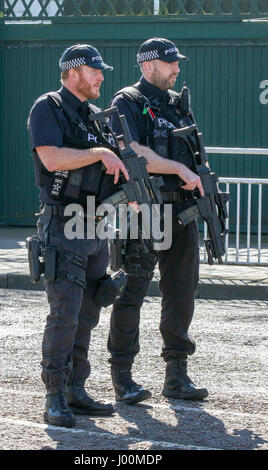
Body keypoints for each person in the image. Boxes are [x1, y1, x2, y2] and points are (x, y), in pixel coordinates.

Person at [27, 44, 130, 428]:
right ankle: (54, 395)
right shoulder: (48, 107)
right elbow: (52, 158)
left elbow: (104, 170)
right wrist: (100, 152)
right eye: (95, 71)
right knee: (64, 314)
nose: (102, 76)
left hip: (96, 226)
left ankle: (76, 389)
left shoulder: (93, 116)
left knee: (88, 313)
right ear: (73, 72)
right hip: (62, 226)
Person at [107, 38, 209, 403]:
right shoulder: (128, 101)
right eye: (169, 64)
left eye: (177, 63)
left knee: (182, 292)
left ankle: (176, 375)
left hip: (183, 211)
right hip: (145, 209)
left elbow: (194, 153)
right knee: (131, 292)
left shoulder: (176, 105)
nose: (176, 68)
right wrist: (178, 168)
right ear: (147, 66)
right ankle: (122, 375)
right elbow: (132, 150)